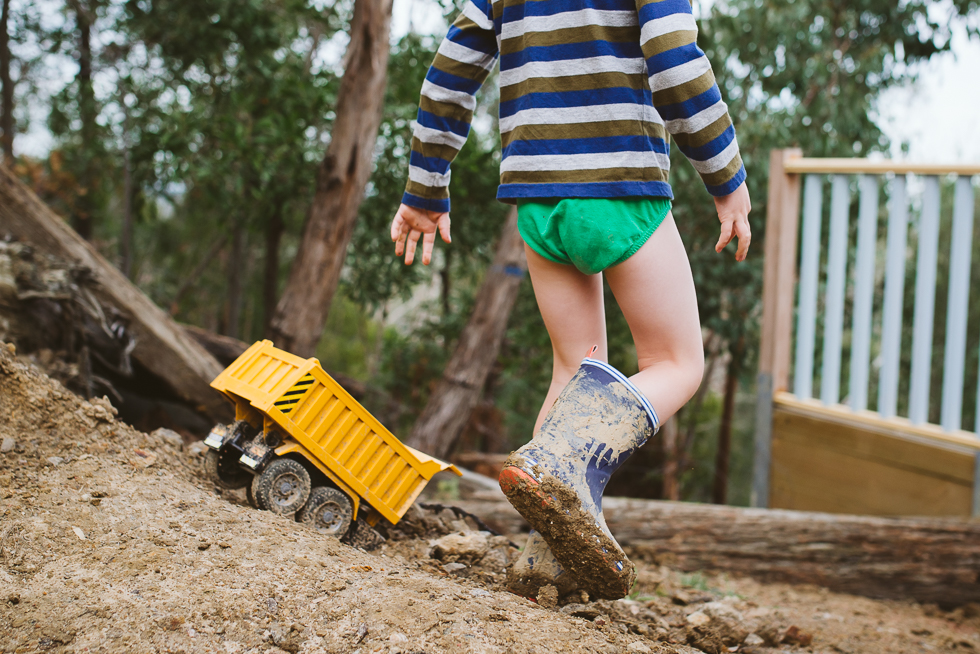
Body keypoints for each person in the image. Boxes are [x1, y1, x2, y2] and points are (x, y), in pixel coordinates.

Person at [390, 0, 751, 600]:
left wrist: (427, 186)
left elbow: (454, 62)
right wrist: (726, 177)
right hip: (617, 179)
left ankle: (546, 559)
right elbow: (673, 59)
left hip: (536, 189)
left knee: (577, 369)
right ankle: (562, 468)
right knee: (679, 363)